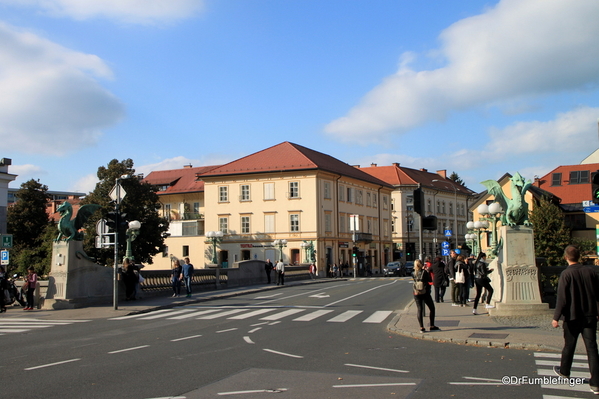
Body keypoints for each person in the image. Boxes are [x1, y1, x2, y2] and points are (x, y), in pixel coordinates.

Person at [552, 245, 599, 394]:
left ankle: (565, 371)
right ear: (579, 257)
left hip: (572, 317)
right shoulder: (591, 272)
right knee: (592, 349)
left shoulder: (566, 274)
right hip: (590, 316)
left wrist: (556, 318)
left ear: (566, 257)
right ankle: (596, 383)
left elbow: (562, 299)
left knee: (569, 346)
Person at [412, 259, 439, 333]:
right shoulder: (424, 272)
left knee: (419, 309)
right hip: (425, 292)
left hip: (416, 292)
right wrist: (426, 271)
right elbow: (430, 280)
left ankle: (421, 327)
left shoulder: (413, 273)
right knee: (432, 308)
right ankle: (432, 325)